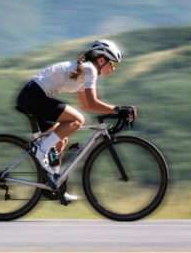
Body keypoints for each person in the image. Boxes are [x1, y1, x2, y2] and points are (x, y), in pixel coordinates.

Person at [15, 39, 136, 200]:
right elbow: (92, 103)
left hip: (32, 96)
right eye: (112, 64)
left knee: (60, 140)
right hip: (34, 96)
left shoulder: (86, 70)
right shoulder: (90, 69)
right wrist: (117, 109)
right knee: (77, 120)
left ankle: (55, 186)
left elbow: (87, 104)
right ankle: (41, 150)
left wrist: (114, 111)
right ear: (101, 60)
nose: (113, 68)